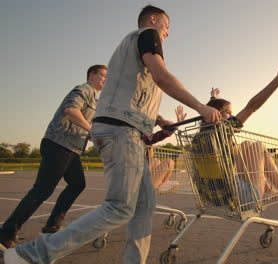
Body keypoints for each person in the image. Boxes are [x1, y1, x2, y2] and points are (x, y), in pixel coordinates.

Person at [2, 5, 221, 264]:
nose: (168, 33)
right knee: (120, 206)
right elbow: (162, 76)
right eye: (167, 26)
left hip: (127, 131)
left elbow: (137, 92)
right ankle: (30, 255)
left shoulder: (131, 51)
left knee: (143, 205)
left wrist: (160, 120)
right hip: (120, 132)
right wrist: (201, 106)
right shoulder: (148, 34)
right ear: (153, 20)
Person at [0, 65, 107, 251]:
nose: (106, 79)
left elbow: (84, 123)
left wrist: (95, 136)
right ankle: (6, 234)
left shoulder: (95, 100)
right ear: (92, 75)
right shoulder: (84, 89)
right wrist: (92, 131)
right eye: (103, 75)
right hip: (59, 144)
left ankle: (52, 227)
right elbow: (71, 110)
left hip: (71, 148)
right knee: (42, 190)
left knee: (77, 184)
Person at [203, 61, 278, 199]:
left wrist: (213, 99)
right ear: (218, 114)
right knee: (258, 146)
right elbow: (251, 107)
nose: (232, 116)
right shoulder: (223, 131)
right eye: (228, 113)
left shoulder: (205, 136)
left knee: (246, 145)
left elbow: (212, 113)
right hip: (238, 196)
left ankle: (270, 188)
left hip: (214, 194)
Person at [146, 106, 186, 194]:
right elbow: (159, 136)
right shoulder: (141, 136)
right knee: (169, 162)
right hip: (140, 175)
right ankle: (159, 185)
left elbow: (158, 136)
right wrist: (174, 126)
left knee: (155, 160)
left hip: (141, 172)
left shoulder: (141, 136)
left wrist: (176, 125)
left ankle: (162, 183)